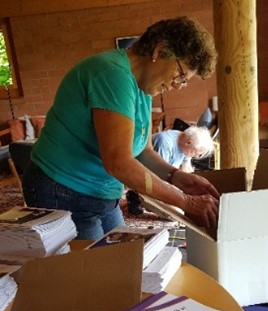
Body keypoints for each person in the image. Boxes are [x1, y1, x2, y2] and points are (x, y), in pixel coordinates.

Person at [22, 16, 219, 241]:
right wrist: (185, 201)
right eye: (181, 75)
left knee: (123, 259)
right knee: (94, 272)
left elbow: (143, 152)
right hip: (62, 188)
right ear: (160, 50)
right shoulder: (112, 74)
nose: (178, 86)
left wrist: (176, 177)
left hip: (100, 192)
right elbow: (119, 162)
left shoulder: (143, 87)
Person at [126, 125, 214, 215]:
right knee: (174, 212)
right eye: (195, 152)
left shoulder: (184, 141)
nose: (195, 156)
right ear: (188, 143)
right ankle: (136, 196)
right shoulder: (165, 143)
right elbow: (158, 175)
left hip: (167, 175)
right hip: (145, 176)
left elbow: (186, 168)